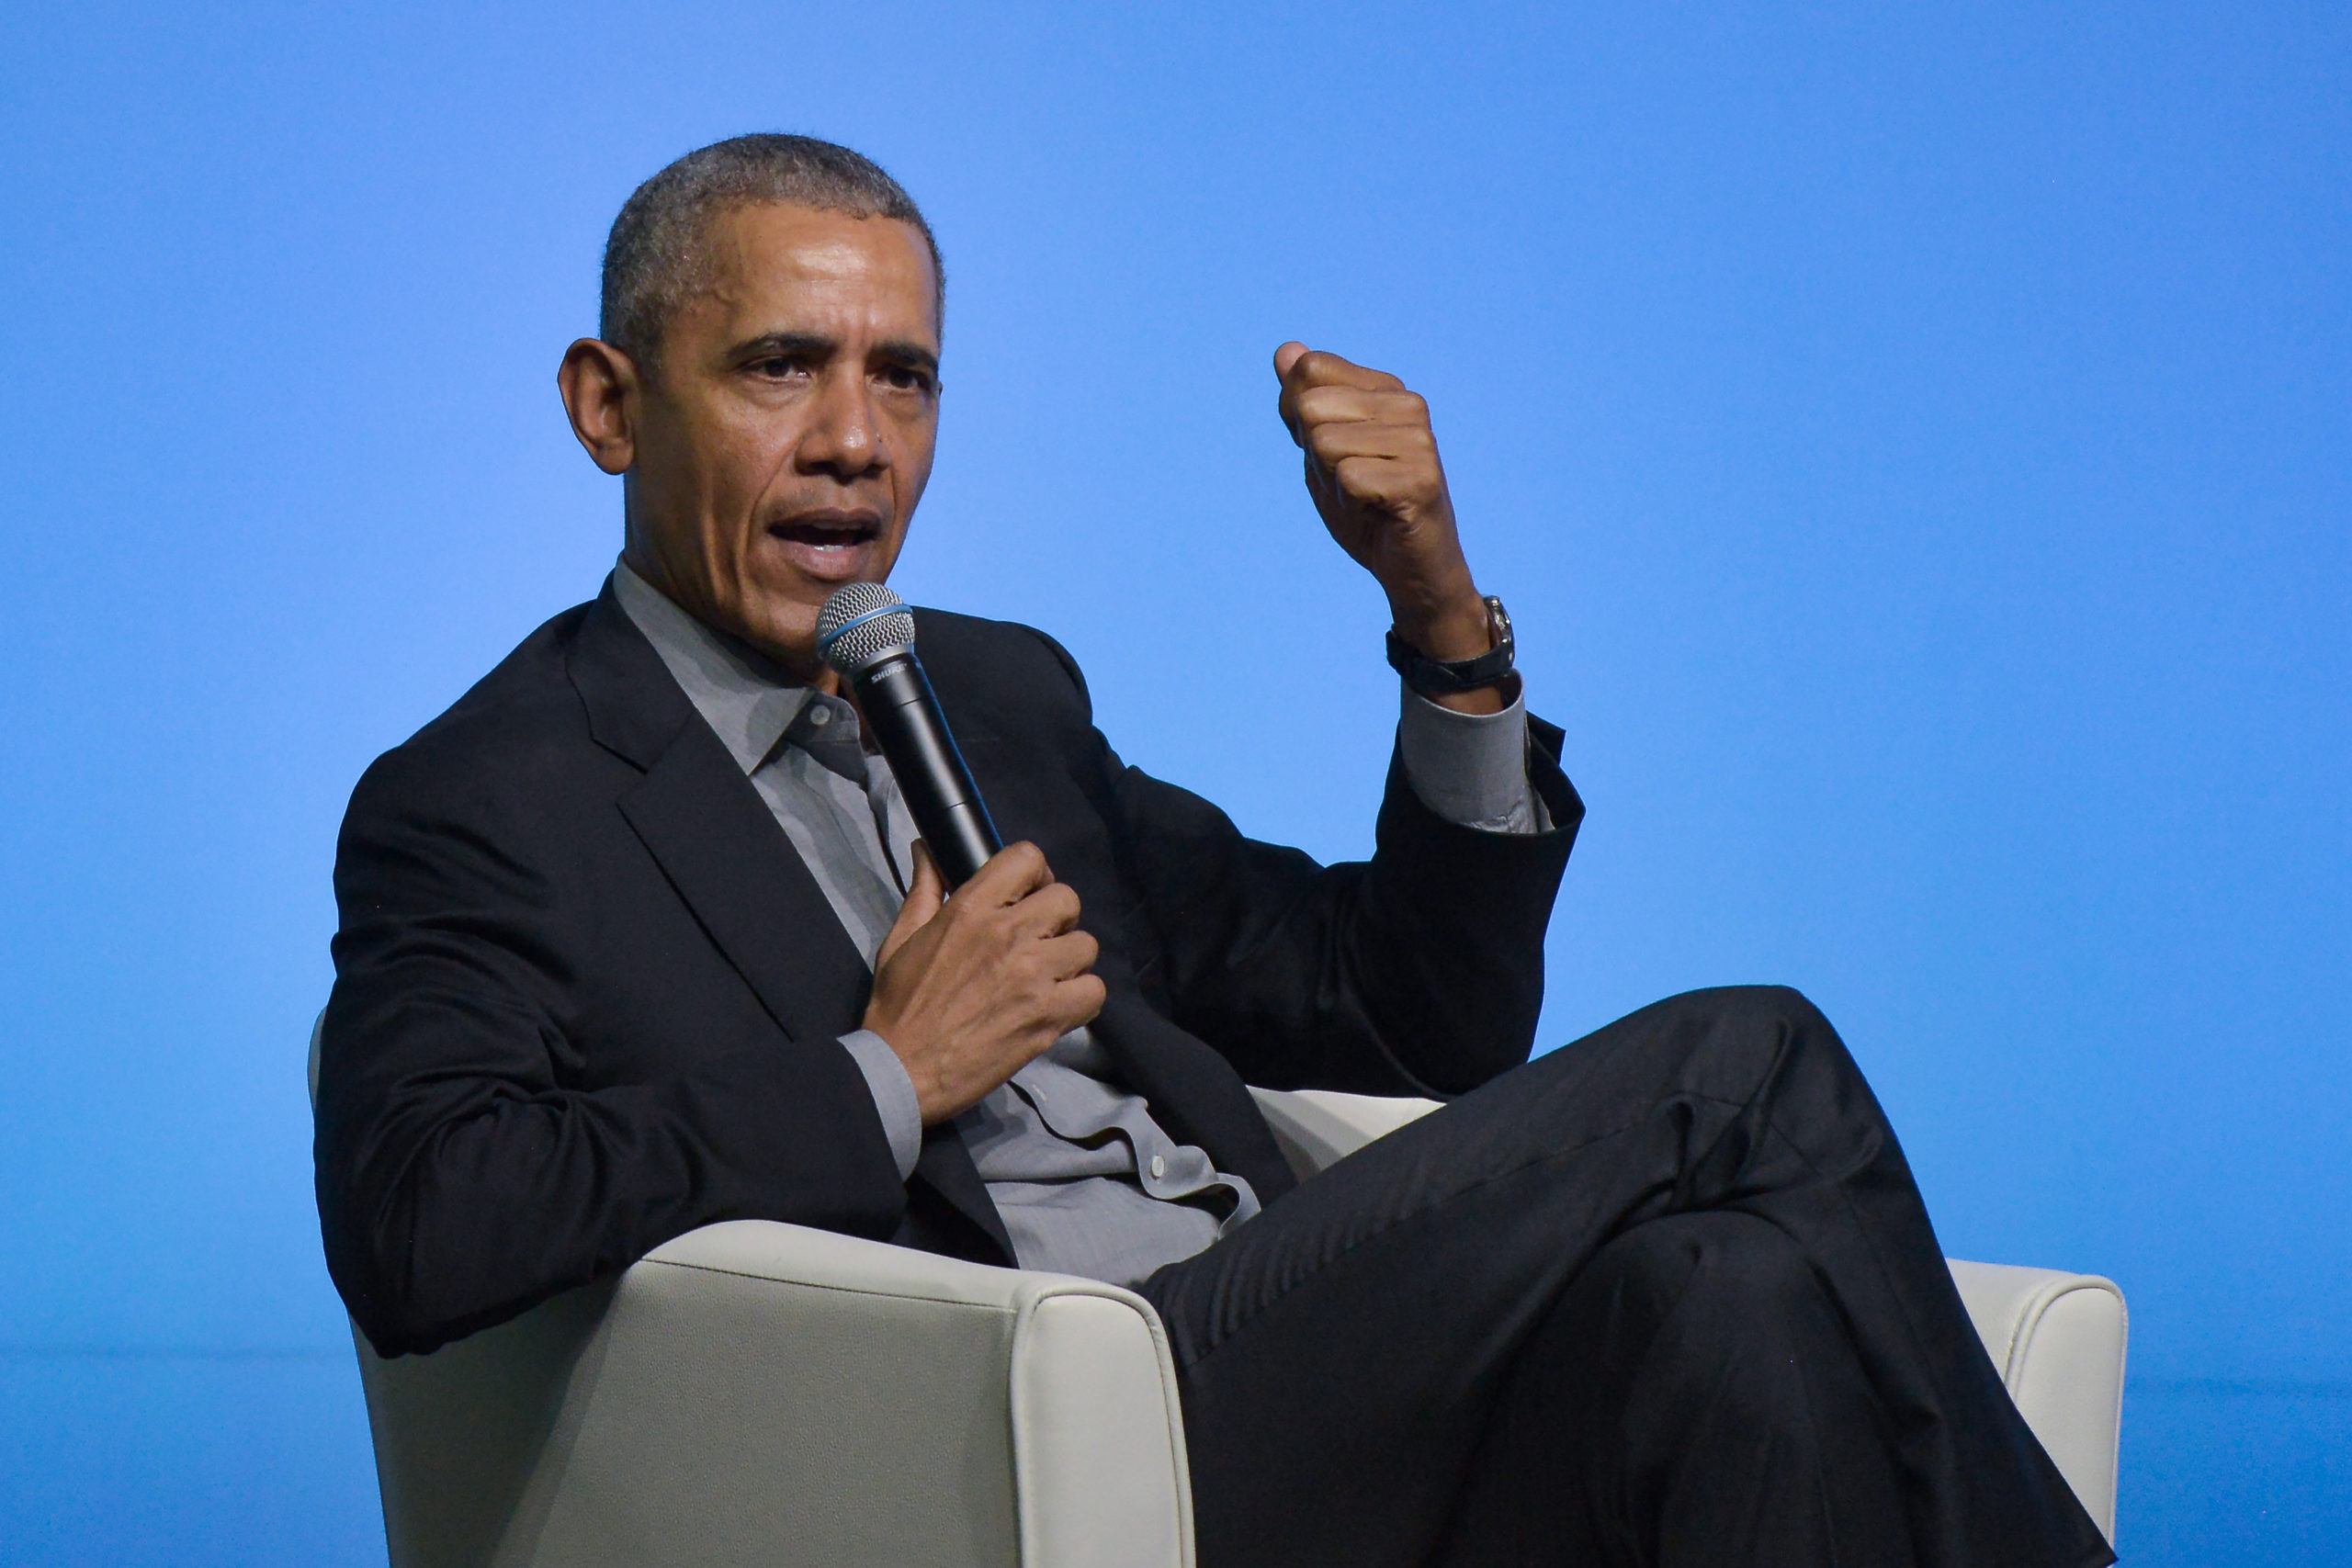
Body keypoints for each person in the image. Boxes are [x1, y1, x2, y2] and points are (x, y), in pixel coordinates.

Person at [313, 134, 2111, 1568]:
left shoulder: (993, 696)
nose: (855, 442)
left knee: (1721, 1297)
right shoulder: (489, 797)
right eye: (781, 365)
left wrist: (1436, 616)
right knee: (1748, 1057)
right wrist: (885, 1070)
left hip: (1312, 1344)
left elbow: (1406, 1014)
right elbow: (421, 1222)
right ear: (610, 405)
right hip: (1075, 1416)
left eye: (905, 377)